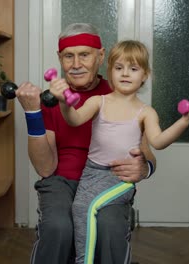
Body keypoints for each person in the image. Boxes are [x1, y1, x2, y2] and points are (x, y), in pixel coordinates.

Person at [49, 39, 189, 264]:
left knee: (85, 206)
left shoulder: (145, 112)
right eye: (119, 68)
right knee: (79, 209)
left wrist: (186, 120)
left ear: (144, 75)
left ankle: (83, 261)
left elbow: (159, 142)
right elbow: (74, 120)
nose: (125, 74)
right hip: (91, 172)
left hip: (119, 178)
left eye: (133, 69)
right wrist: (64, 102)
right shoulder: (98, 102)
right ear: (110, 71)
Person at [15, 23, 156, 264]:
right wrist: (33, 115)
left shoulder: (120, 92)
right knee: (59, 227)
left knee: (109, 227)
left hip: (107, 179)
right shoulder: (53, 98)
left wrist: (145, 168)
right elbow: (45, 168)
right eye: (69, 56)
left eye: (84, 55)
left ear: (100, 56)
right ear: (59, 59)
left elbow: (147, 153)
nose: (76, 64)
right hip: (61, 180)